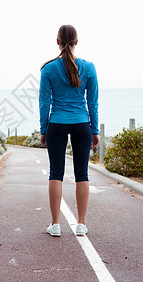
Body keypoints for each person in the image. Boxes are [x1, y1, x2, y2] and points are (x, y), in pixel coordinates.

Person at [39, 25, 99, 237]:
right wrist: (94, 129)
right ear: (76, 42)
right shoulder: (89, 68)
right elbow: (93, 103)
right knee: (82, 174)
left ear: (57, 42)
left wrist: (43, 129)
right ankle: (81, 224)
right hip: (82, 124)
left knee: (56, 173)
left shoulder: (48, 69)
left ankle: (55, 224)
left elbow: (44, 103)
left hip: (56, 124)